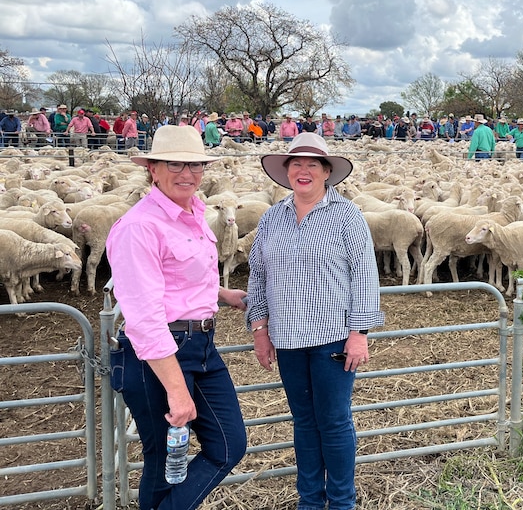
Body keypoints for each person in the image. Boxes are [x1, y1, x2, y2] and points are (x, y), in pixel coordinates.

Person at [105, 125, 248, 510]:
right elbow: (144, 314)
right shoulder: (139, 226)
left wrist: (220, 293)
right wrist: (177, 390)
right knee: (163, 458)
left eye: (195, 166)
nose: (187, 174)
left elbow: (175, 276)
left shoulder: (194, 212)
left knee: (230, 443)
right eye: (175, 164)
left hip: (200, 345)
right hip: (159, 353)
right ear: (152, 168)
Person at [247, 132, 383, 510]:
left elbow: (365, 277)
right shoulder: (272, 218)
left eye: (312, 165)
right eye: (296, 164)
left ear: (327, 172)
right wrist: (260, 328)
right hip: (287, 337)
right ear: (286, 172)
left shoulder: (347, 216)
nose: (302, 171)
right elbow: (257, 275)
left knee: (335, 420)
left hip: (332, 338)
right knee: (304, 421)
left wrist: (359, 333)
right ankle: (309, 500)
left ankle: (341, 501)